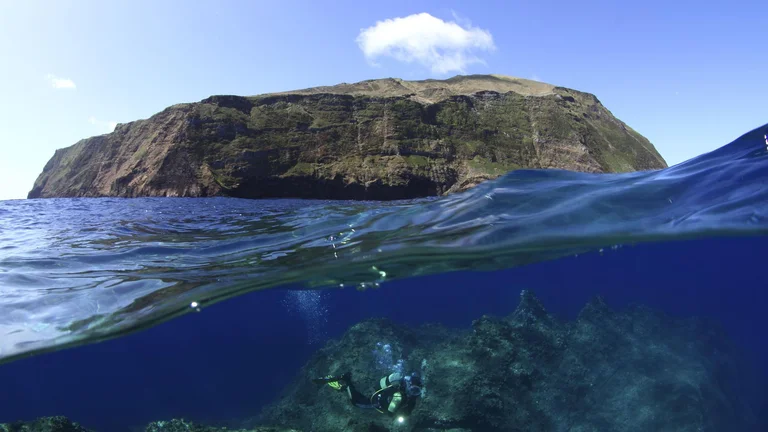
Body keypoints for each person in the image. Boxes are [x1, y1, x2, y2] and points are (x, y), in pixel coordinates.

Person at [313, 371, 422, 416]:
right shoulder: (399, 395)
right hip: (374, 403)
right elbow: (389, 412)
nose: (413, 393)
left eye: (416, 391)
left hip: (376, 397)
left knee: (362, 397)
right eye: (413, 389)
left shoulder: (402, 391)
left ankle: (346, 382)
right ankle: (346, 382)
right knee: (355, 402)